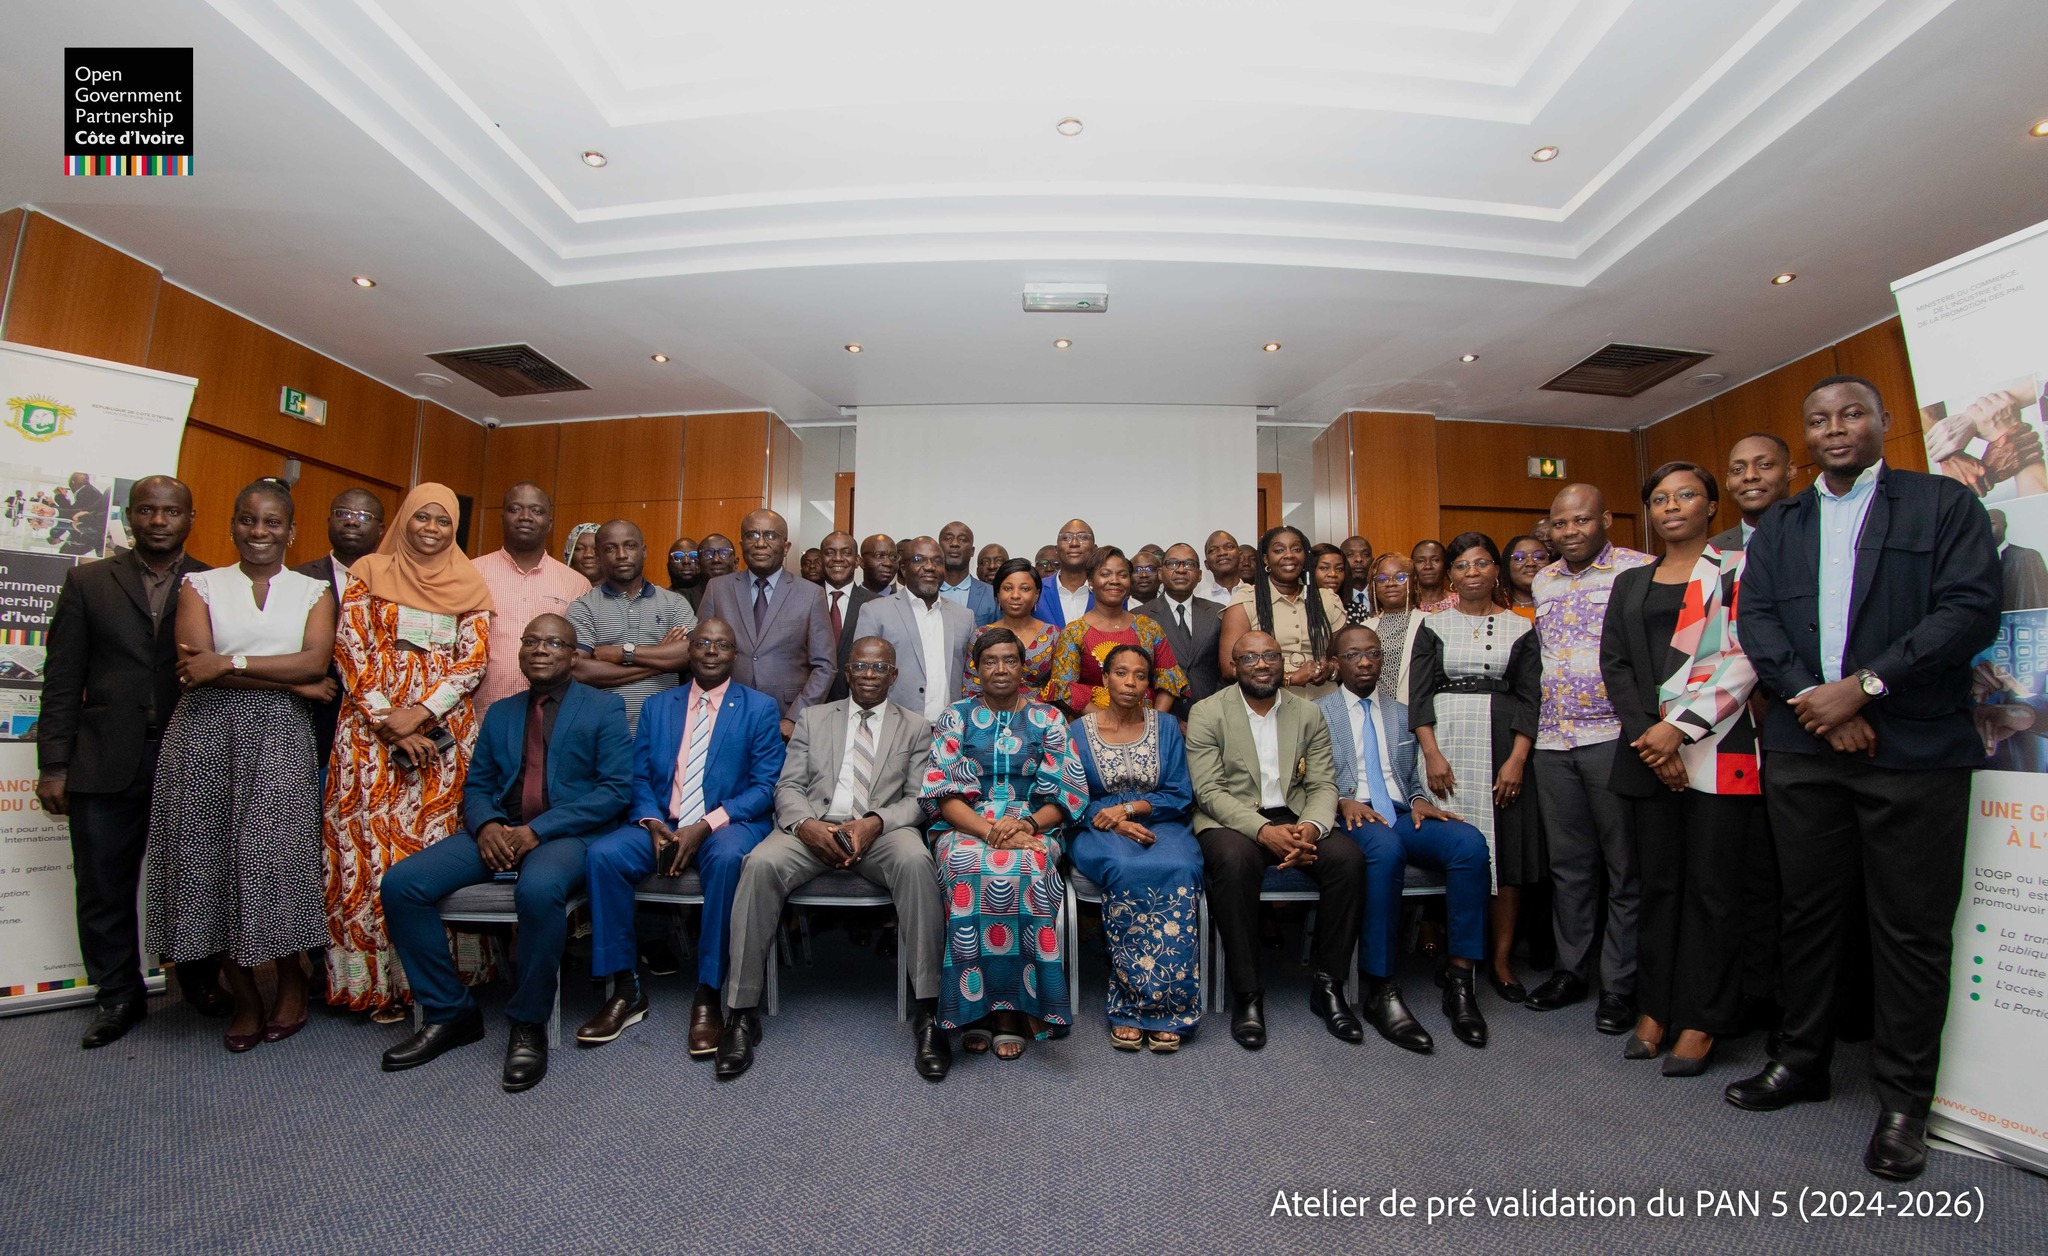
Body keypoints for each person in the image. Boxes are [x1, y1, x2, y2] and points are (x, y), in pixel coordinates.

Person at [1730, 375, 2000, 1181]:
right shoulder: (1781, 524)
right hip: (1807, 748)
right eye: (1820, 420)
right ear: (1806, 436)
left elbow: (1969, 611)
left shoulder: (1943, 505)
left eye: (1852, 414)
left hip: (1913, 750)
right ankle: (1801, 1060)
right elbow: (1758, 622)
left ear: (1884, 422)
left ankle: (1904, 1103)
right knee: (1809, 915)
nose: (1836, 428)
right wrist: (1820, 702)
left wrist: (1866, 687)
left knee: (1911, 930)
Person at [377, 614, 631, 1092]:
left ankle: (529, 1022)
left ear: (573, 656)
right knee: (402, 884)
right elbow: (477, 786)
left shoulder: (603, 707)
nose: (540, 649)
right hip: (499, 831)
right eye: (531, 641)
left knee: (537, 889)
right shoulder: (501, 712)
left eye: (553, 643)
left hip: (567, 835)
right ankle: (450, 1013)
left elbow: (615, 791)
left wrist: (538, 830)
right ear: (519, 653)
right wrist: (489, 824)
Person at [146, 480, 337, 1053]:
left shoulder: (313, 591)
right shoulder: (199, 585)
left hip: (279, 738)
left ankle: (292, 981)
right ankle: (245, 997)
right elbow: (194, 669)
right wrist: (293, 682)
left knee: (275, 859)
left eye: (272, 522)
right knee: (208, 860)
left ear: (291, 531)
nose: (260, 532)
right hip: (203, 736)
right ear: (231, 525)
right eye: (248, 520)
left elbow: (315, 661)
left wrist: (229, 663)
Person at [41, 476, 228, 1047]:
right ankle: (118, 995)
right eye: (146, 510)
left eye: (171, 511)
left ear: (190, 518)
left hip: (190, 754)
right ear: (129, 517)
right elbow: (62, 680)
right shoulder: (88, 581)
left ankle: (200, 981)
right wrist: (54, 765)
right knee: (103, 884)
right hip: (103, 757)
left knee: (196, 877)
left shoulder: (214, 583)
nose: (158, 521)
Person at [723, 637, 949, 1081]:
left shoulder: (916, 726)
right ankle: (741, 1011)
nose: (869, 675)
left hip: (881, 832)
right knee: (759, 864)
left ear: (894, 675)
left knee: (917, 863)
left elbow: (920, 799)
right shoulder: (814, 718)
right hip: (815, 828)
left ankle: (929, 1011)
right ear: (847, 673)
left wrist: (874, 823)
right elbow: (788, 786)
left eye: (879, 668)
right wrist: (806, 825)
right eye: (860, 667)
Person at [1601, 463, 1761, 1079]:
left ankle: (1702, 1018)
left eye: (1686, 495)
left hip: (1717, 747)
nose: (1671, 506)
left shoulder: (1738, 570)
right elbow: (1616, 663)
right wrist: (1653, 738)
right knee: (1659, 886)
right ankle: (1656, 1008)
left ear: (1711, 506)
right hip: (1648, 751)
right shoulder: (1631, 582)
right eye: (1660, 498)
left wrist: (1680, 731)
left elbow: (1746, 659)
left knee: (1713, 891)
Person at [324, 483, 494, 1021]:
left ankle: (439, 981)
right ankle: (377, 986)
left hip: (441, 736)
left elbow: (471, 663)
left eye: (443, 521)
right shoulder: (369, 572)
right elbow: (350, 650)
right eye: (422, 518)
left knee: (433, 850)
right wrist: (389, 721)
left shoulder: (470, 583)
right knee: (370, 854)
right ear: (403, 520)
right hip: (369, 737)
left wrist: (419, 713)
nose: (431, 529)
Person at [577, 619, 785, 1055]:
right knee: (603, 855)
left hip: (727, 824)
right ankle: (626, 987)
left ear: (735, 656)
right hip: (664, 823)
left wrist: (706, 824)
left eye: (722, 644)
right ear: (689, 652)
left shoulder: (759, 707)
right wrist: (651, 821)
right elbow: (638, 778)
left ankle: (709, 991)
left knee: (728, 860)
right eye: (702, 642)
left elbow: (766, 787)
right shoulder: (658, 706)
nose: (711, 650)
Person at [1318, 624, 1492, 1051]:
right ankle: (1381, 987)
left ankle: (1460, 980)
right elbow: (1308, 778)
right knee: (1386, 849)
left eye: (1373, 653)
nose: (1365, 662)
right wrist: (1341, 800)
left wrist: (1417, 800)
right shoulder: (1317, 713)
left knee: (1469, 843)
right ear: (1336, 663)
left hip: (1399, 812)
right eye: (1353, 655)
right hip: (1351, 813)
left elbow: (1410, 776)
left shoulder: (1402, 713)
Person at [1190, 630, 1361, 1050]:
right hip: (1230, 818)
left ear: (1283, 663)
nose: (1262, 664)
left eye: (1271, 656)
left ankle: (1329, 986)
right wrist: (1264, 832)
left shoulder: (1307, 713)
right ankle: (1248, 993)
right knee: (1235, 863)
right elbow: (1209, 792)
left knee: (1348, 861)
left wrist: (1311, 828)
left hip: (1295, 814)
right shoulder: (1207, 712)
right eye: (1250, 658)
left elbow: (1323, 784)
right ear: (1234, 667)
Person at [919, 628, 1083, 1059]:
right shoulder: (956, 716)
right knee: (968, 867)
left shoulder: (1048, 718)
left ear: (1023, 667)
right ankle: (975, 1008)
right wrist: (989, 831)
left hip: (1034, 824)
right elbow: (944, 794)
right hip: (966, 824)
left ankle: (1011, 1011)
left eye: (1010, 660)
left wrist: (1025, 824)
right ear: (976, 668)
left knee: (1027, 868)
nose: (1001, 669)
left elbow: (1066, 794)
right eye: (990, 661)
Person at [1526, 484, 1653, 1035]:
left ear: (1605, 518)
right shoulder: (1543, 580)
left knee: (1625, 866)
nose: (1570, 531)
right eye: (1560, 523)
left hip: (1614, 737)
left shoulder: (1637, 569)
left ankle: (1620, 985)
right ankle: (1571, 971)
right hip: (1553, 740)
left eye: (1581, 520)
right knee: (1569, 865)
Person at [1408, 534, 1544, 1008]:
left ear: (1496, 570)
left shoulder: (1521, 627)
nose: (1472, 573)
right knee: (1456, 845)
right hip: (1447, 743)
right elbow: (1419, 696)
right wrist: (1431, 753)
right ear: (1451, 576)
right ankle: (1456, 954)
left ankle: (1501, 962)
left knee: (1506, 853)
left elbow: (1531, 697)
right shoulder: (1432, 625)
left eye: (1482, 563)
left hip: (1504, 744)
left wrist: (1518, 759)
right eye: (1462, 565)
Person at [1069, 644, 1205, 1051]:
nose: (1130, 683)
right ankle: (1130, 1005)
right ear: (1104, 679)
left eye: (1140, 675)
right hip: (1097, 827)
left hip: (1163, 821)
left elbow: (1180, 793)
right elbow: (1071, 797)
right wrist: (1113, 819)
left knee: (1181, 867)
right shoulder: (1078, 731)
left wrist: (1131, 809)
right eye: (1121, 673)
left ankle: (1171, 1006)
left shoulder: (1166, 727)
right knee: (1126, 869)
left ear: (1149, 684)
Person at [701, 509, 835, 735]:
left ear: (786, 546)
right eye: (752, 535)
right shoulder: (717, 589)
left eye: (771, 535)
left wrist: (795, 718)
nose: (760, 543)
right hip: (723, 715)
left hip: (785, 717)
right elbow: (701, 655)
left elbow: (825, 666)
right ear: (741, 544)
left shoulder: (811, 594)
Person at [565, 520, 697, 734]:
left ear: (643, 551)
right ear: (598, 556)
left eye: (630, 546)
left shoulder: (674, 603)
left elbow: (692, 651)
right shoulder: (583, 607)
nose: (621, 555)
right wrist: (661, 660)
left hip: (664, 730)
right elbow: (579, 669)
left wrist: (623, 653)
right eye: (610, 548)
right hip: (605, 733)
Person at [472, 483, 591, 716]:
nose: (525, 517)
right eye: (515, 509)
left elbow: (581, 656)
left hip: (553, 715)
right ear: (502, 518)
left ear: (549, 523)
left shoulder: (577, 583)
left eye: (536, 511)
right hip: (482, 712)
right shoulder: (471, 574)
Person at [295, 487, 387, 764]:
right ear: (329, 522)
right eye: (342, 513)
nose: (352, 521)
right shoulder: (298, 578)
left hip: (378, 718)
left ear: (381, 530)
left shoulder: (397, 581)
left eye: (364, 516)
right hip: (310, 713)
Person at [1046, 547, 1189, 716]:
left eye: (1122, 575)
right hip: (1094, 724)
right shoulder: (1074, 632)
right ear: (1090, 581)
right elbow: (1064, 689)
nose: (1115, 580)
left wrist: (1154, 722)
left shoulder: (1149, 628)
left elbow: (1169, 679)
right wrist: (1108, 723)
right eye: (1105, 574)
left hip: (1145, 722)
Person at [1217, 526, 1346, 699]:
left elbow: (1345, 659)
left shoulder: (1327, 599)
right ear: (1266, 559)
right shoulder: (1246, 601)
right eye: (1279, 550)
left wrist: (1330, 669)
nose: (1289, 555)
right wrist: (1289, 679)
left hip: (1326, 700)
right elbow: (1229, 668)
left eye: (1296, 549)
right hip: (1267, 701)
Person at [857, 536, 976, 721]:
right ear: (903, 568)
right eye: (919, 560)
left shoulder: (964, 617)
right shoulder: (875, 612)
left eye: (937, 561)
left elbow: (972, 677)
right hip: (894, 725)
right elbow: (861, 676)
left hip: (950, 728)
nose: (929, 567)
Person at [1138, 542, 1224, 716]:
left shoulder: (1218, 614)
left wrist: (1211, 714)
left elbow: (1226, 672)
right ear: (1160, 573)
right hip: (1161, 717)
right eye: (1172, 563)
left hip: (1212, 716)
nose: (1181, 570)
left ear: (1200, 575)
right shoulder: (1139, 616)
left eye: (1189, 564)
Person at [966, 559, 1059, 698]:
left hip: (1041, 710)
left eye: (1025, 589)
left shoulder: (1053, 635)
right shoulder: (981, 635)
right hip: (989, 710)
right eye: (1008, 588)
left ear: (1036, 594)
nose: (1015, 595)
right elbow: (971, 689)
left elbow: (1061, 689)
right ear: (998, 594)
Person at [819, 529, 879, 701]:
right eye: (830, 553)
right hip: (810, 701)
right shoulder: (804, 598)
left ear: (858, 560)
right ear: (821, 559)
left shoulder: (876, 603)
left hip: (858, 700)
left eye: (846, 553)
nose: (837, 558)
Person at [1713, 432, 1796, 551]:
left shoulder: (1818, 531)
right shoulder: (1712, 550)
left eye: (1765, 465)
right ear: (1727, 482)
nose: (1750, 476)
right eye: (1738, 469)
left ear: (1790, 471)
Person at [1364, 552, 1419, 706]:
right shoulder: (1365, 628)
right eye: (1382, 579)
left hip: (1418, 710)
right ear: (1374, 586)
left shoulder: (1430, 623)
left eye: (1400, 577)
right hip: (1377, 710)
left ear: (1414, 581)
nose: (1390, 583)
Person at [1034, 518, 1097, 629]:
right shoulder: (1036, 588)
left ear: (1094, 549)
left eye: (1083, 537)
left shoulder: (1106, 591)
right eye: (1066, 538)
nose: (1074, 543)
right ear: (1057, 549)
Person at [936, 520, 999, 627]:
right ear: (938, 548)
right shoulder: (924, 592)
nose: (954, 544)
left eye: (962, 539)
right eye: (948, 538)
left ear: (972, 551)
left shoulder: (992, 594)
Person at [1992, 508, 2048, 611]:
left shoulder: (2027, 557)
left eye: (1992, 524)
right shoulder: (1976, 563)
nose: (1987, 529)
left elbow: (2039, 602)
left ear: (2004, 526)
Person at [1501, 534, 1548, 620]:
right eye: (1519, 558)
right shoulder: (1497, 605)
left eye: (1539, 557)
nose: (1531, 563)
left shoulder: (1564, 602)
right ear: (1507, 565)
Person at [1411, 539, 1454, 613]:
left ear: (1445, 564)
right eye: (1420, 561)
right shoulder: (1406, 604)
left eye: (1435, 560)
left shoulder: (1461, 602)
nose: (1428, 566)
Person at [666, 535, 705, 610]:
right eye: (678, 557)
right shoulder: (661, 599)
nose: (686, 561)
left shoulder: (711, 598)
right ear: (669, 566)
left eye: (693, 556)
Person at [1340, 536, 1375, 619]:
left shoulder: (1383, 596)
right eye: (1350, 554)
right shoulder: (1335, 598)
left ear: (1373, 561)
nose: (1359, 559)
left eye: (1365, 554)